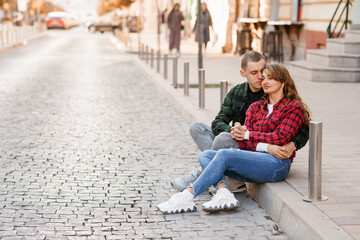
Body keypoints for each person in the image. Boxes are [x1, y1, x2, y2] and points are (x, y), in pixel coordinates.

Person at [158, 63, 311, 214]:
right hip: (256, 156)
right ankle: (223, 192)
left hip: (277, 164)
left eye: (270, 78)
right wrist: (265, 146)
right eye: (263, 78)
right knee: (206, 155)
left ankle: (187, 195)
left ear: (283, 81)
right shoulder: (256, 107)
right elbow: (245, 142)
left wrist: (248, 134)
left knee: (224, 154)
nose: (264, 82)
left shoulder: (292, 108)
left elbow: (280, 137)